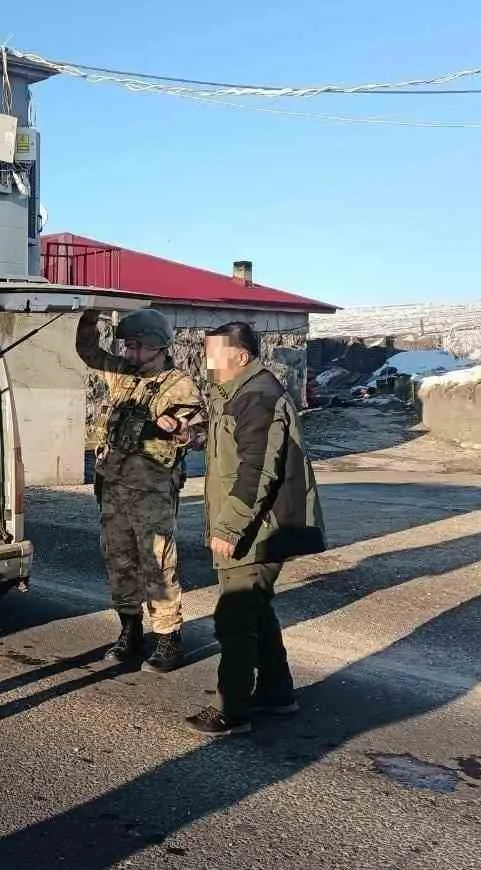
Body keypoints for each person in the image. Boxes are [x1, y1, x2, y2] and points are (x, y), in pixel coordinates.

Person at [191, 322, 325, 735]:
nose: (207, 362)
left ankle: (232, 710)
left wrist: (230, 528)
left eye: (215, 354)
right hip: (256, 524)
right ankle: (276, 693)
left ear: (242, 356)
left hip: (257, 528)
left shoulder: (258, 396)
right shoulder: (235, 395)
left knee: (235, 617)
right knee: (256, 610)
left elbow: (257, 470)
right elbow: (232, 449)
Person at [76, 307, 203, 672]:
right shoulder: (123, 376)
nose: (128, 353)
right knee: (119, 561)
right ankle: (129, 630)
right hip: (114, 487)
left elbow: (200, 434)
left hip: (152, 492)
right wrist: (90, 315)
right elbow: (88, 351)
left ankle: (168, 639)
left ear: (157, 346)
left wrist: (178, 429)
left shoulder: (178, 384)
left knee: (158, 563)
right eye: (126, 346)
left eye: (135, 347)